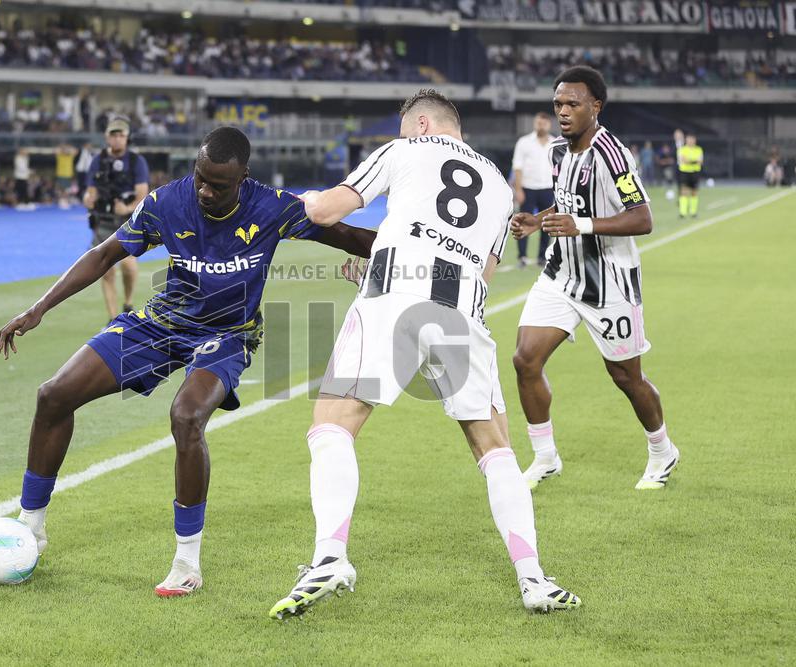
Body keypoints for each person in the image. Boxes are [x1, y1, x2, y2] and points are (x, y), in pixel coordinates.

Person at [0, 127, 376, 598]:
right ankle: (31, 528)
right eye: (201, 179)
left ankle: (186, 561)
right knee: (53, 395)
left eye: (218, 185)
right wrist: (38, 309)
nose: (205, 191)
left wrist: (420, 253)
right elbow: (103, 254)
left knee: (187, 416)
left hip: (228, 335)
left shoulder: (273, 206)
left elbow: (349, 236)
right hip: (163, 322)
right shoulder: (165, 202)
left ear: (243, 179)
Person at [269, 90, 580, 620]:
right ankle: (534, 579)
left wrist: (289, 201)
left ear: (420, 121)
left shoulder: (404, 149)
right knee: (494, 448)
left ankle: (329, 558)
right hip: (463, 310)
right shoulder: (501, 189)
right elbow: (483, 272)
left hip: (394, 298)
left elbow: (324, 211)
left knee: (333, 426)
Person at [510, 66, 679, 492]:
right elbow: (568, 202)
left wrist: (581, 226)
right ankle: (545, 457)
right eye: (558, 104)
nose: (563, 112)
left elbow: (643, 218)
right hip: (560, 274)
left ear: (595, 107)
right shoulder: (557, 153)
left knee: (626, 377)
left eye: (573, 104)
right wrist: (539, 221)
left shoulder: (614, 155)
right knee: (525, 359)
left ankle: (662, 450)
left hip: (610, 283)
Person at [82, 116, 148, 320]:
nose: (118, 139)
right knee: (106, 271)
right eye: (114, 134)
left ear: (127, 138)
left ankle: (127, 303)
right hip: (102, 220)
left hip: (128, 222)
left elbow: (143, 196)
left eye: (122, 135)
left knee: (128, 266)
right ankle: (112, 319)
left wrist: (126, 207)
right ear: (107, 137)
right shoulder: (98, 161)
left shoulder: (136, 162)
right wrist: (88, 199)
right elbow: (90, 191)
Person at [511, 111, 556, 268]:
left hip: (548, 189)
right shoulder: (524, 142)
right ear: (534, 124)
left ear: (549, 124)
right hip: (528, 188)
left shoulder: (555, 143)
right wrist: (519, 190)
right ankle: (522, 256)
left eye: (543, 123)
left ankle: (542, 257)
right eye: (538, 122)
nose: (540, 125)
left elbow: (559, 168)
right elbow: (517, 167)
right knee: (523, 222)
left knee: (547, 224)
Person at [677, 133, 703, 219]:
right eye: (689, 139)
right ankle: (682, 213)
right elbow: (683, 160)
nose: (691, 141)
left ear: (695, 140)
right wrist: (694, 161)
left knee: (694, 192)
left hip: (695, 172)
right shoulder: (682, 149)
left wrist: (690, 161)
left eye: (692, 139)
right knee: (684, 191)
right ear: (686, 140)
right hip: (685, 172)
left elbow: (700, 161)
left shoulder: (699, 149)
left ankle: (693, 212)